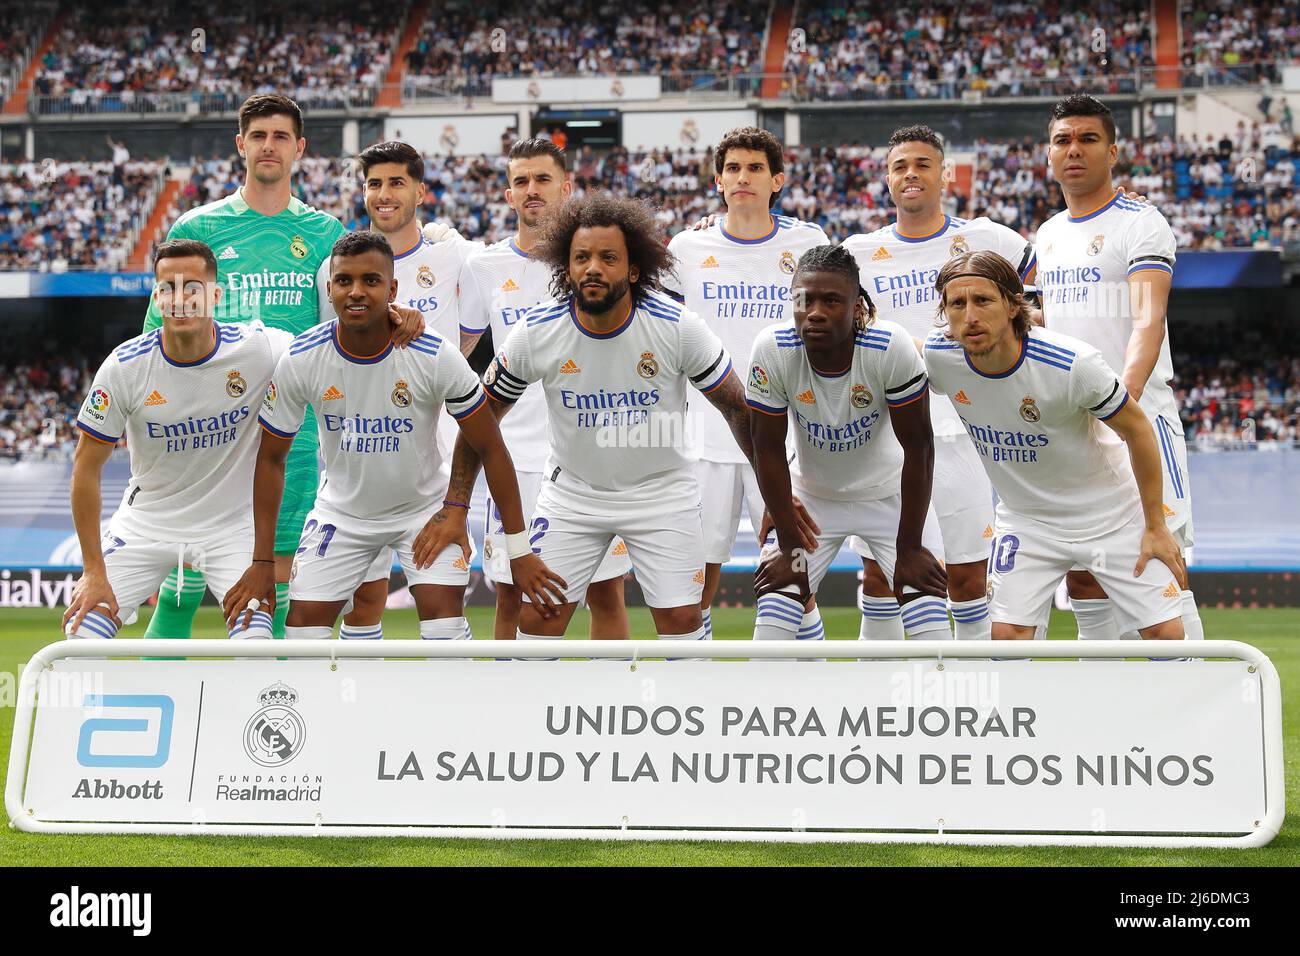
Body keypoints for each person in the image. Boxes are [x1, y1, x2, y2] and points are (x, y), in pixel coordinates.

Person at [139, 94, 423, 643]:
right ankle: (162, 717)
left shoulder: (323, 234)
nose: (269, 146)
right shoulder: (200, 227)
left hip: (289, 430)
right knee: (183, 582)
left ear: (300, 149)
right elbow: (159, 330)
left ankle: (269, 717)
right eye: (259, 136)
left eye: (281, 137)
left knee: (276, 575)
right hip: (207, 428)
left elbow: (348, 319)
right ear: (241, 145)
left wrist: (396, 315)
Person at [429, 195, 764, 651]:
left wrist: (777, 499)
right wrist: (456, 506)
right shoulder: (537, 330)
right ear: (565, 268)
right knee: (539, 617)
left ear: (633, 269)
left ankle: (686, 717)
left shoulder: (676, 326)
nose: (592, 268)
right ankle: (525, 721)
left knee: (683, 620)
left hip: (661, 491)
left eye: (608, 258)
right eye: (581, 257)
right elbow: (480, 421)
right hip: (573, 495)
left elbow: (738, 408)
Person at [223, 232, 564, 640]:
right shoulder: (302, 358)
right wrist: (262, 561)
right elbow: (271, 458)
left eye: (371, 280)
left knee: (445, 630)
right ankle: (360, 703)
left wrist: (507, 542)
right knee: (303, 637)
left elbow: (489, 446)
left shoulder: (432, 353)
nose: (356, 292)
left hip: (421, 511)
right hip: (342, 515)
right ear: (329, 288)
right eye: (344, 281)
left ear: (393, 288)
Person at [922, 250, 1186, 641]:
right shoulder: (940, 356)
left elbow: (1138, 431)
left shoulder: (1072, 363)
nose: (970, 316)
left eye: (983, 300)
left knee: (1166, 635)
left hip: (1111, 516)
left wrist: (1156, 526)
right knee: (1007, 638)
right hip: (1027, 521)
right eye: (957, 304)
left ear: (1013, 305)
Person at [841, 124, 1036, 641]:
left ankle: (966, 698)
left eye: (923, 164)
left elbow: (1038, 292)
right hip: (886, 436)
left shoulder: (987, 238)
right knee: (881, 576)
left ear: (943, 174)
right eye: (900, 166)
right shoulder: (859, 251)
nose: (911, 174)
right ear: (886, 178)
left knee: (968, 577)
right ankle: (879, 699)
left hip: (963, 433)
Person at [1035, 94, 1203, 643]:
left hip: (1138, 420)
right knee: (1087, 573)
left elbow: (1147, 322)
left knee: (1160, 565)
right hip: (1072, 428)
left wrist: (1121, 400)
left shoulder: (1141, 223)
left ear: (1113, 151)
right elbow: (1056, 321)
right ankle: (1099, 707)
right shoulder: (1050, 233)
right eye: (1063, 140)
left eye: (1087, 139)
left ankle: (1201, 705)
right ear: (1049, 154)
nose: (1074, 150)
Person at [63, 240, 288, 641]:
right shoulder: (124, 367)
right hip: (146, 526)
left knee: (257, 644)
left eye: (193, 287)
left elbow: (329, 343)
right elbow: (86, 466)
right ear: (156, 297)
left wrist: (393, 318)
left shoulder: (259, 348)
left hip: (230, 529)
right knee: (81, 636)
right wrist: (94, 570)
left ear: (215, 295)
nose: (180, 299)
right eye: (168, 287)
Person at [660, 125, 830, 643]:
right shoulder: (687, 247)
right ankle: (699, 681)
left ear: (776, 179)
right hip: (707, 437)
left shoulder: (809, 242)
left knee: (796, 571)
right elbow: (663, 334)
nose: (743, 177)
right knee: (699, 575)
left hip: (787, 436)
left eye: (755, 168)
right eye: (732, 168)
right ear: (717, 180)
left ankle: (806, 681)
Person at [458, 138, 631, 641]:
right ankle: (511, 709)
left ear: (567, 187)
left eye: (542, 179)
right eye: (521, 181)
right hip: (514, 457)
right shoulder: (483, 267)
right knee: (511, 590)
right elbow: (464, 354)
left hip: (591, 454)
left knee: (605, 592)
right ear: (508, 194)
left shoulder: (595, 260)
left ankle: (608, 708)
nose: (531, 190)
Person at [747, 244, 948, 643]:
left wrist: (909, 546)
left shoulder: (889, 346)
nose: (815, 311)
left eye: (832, 301)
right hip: (814, 502)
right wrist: (788, 541)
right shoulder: (773, 348)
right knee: (771, 629)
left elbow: (920, 449)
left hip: (891, 499)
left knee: (934, 640)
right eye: (804, 300)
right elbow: (767, 449)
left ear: (857, 307)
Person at [337, 140, 481, 641]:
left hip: (433, 459)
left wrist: (429, 369)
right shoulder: (336, 268)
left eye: (396, 182)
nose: (384, 193)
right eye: (374, 183)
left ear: (420, 191)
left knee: (440, 602)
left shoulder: (457, 255)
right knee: (364, 599)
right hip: (359, 453)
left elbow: (471, 334)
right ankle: (362, 706)